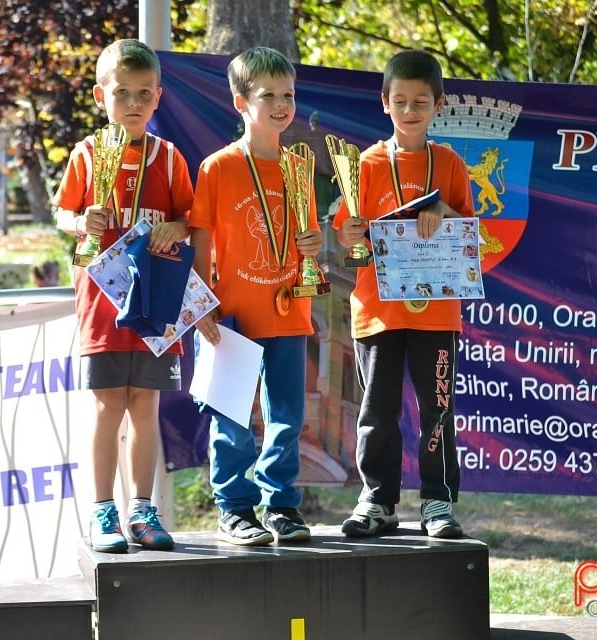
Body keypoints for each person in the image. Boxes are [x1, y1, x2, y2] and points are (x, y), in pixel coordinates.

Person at [53, 39, 194, 553]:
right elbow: (63, 212)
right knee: (108, 403)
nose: (132, 103)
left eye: (142, 94)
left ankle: (143, 510)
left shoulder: (170, 157)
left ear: (157, 98)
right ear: (100, 95)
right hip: (102, 302)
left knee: (145, 405)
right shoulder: (87, 154)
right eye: (121, 93)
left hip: (156, 298)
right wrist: (78, 221)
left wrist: (175, 229)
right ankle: (102, 512)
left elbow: (190, 221)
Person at [333, 50, 474, 540]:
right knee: (377, 410)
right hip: (378, 312)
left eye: (420, 101)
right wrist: (351, 232)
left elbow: (470, 232)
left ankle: (437, 501)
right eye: (400, 101)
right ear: (384, 104)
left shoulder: (450, 164)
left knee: (437, 408)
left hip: (436, 313)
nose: (410, 110)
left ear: (438, 105)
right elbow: (348, 236)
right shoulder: (366, 164)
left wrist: (443, 217)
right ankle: (378, 499)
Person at [190, 47, 323, 546]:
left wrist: (312, 244)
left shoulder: (299, 168)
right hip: (233, 316)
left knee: (287, 417)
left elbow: (306, 238)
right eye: (268, 95)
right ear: (241, 101)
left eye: (288, 94)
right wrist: (202, 303)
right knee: (231, 418)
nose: (281, 104)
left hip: (289, 310)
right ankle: (234, 508)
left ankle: (282, 506)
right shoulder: (218, 168)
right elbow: (201, 239)